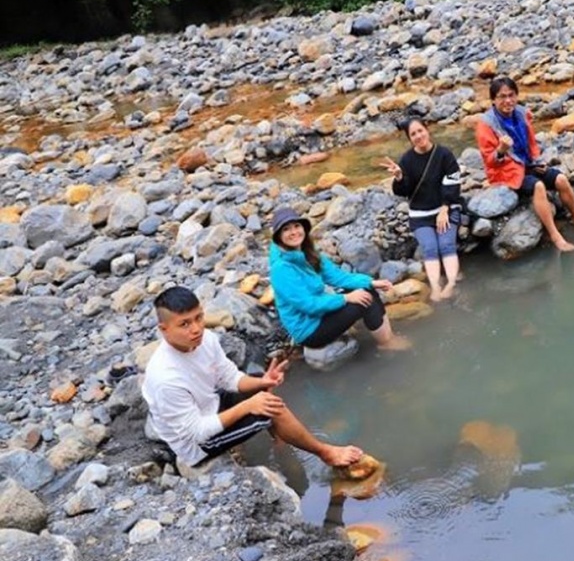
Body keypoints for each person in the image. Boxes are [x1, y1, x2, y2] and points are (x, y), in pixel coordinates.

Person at [141, 286, 364, 468]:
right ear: (164, 329)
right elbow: (197, 433)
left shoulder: (205, 339)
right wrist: (248, 406)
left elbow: (228, 377)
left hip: (208, 405)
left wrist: (263, 382)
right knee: (266, 411)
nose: (196, 328)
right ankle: (325, 453)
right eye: (185, 324)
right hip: (195, 445)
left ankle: (281, 437)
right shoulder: (165, 379)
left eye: (198, 317)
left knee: (258, 384)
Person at [475, 76, 574, 252]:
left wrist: (538, 162)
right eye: (502, 97)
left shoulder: (522, 114)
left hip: (528, 165)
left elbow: (531, 145)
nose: (508, 101)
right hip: (506, 172)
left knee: (561, 179)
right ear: (493, 100)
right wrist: (501, 150)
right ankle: (556, 236)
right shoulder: (486, 125)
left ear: (517, 96)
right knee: (539, 186)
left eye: (511, 95)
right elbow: (490, 161)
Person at [269, 207, 411, 351]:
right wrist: (346, 298)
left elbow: (338, 277)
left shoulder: (306, 252)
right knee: (366, 302)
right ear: (278, 236)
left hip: (320, 313)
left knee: (366, 290)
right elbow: (308, 305)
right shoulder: (281, 269)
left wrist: (370, 282)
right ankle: (387, 343)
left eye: (296, 226)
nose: (293, 232)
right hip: (309, 329)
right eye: (286, 229)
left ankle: (388, 338)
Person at [380, 118, 462, 301]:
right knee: (430, 247)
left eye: (420, 131)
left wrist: (445, 208)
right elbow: (403, 192)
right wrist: (400, 177)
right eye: (413, 134)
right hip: (421, 214)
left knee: (446, 244)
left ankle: (450, 283)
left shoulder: (444, 154)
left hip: (445, 209)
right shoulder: (407, 160)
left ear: (427, 130)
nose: (418, 136)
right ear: (410, 139)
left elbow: (453, 183)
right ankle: (435, 286)